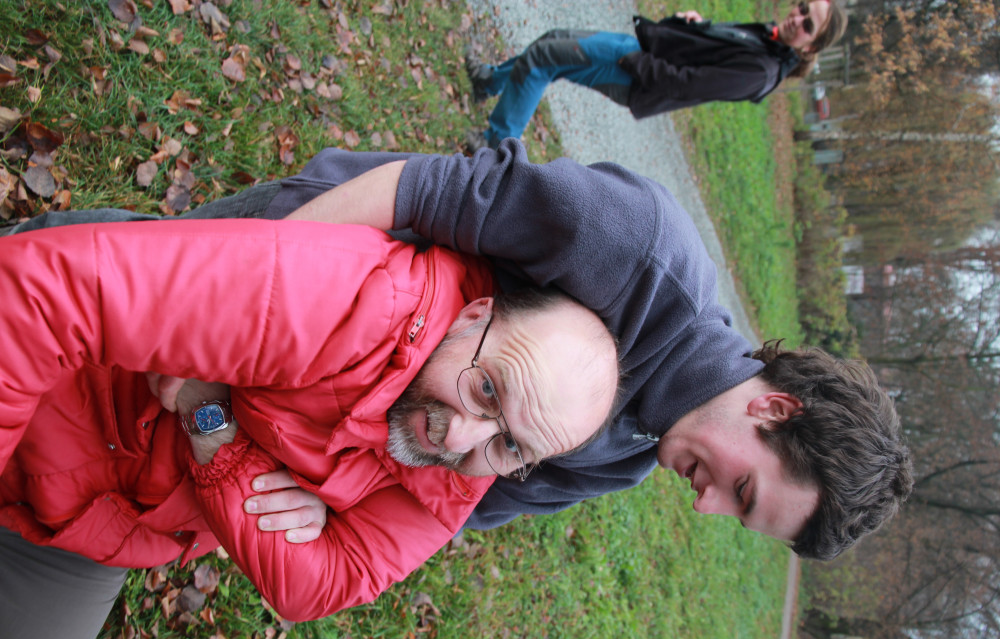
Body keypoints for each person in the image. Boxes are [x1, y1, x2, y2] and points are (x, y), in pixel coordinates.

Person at [5, 140, 912, 561]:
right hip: (299, 268)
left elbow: (449, 501)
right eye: (742, 489)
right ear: (773, 406)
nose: (707, 505)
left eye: (737, 514)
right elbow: (419, 188)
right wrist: (231, 308)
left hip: (296, 423)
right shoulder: (639, 247)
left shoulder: (626, 458)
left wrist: (334, 517)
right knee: (106, 300)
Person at [0, 217, 620, 639]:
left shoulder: (462, 474)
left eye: (511, 446)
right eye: (487, 390)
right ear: (473, 316)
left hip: (95, 535)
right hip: (55, 406)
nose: (460, 435)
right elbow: (38, 296)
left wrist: (210, 418)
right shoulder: (346, 294)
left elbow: (314, 586)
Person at [464, 1, 847, 149]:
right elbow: (710, 54)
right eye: (802, 7)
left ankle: (495, 145)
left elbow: (689, 84)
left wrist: (634, 62)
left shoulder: (762, 72)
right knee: (553, 41)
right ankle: (488, 82)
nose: (797, 18)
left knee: (544, 58)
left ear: (810, 47)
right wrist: (695, 24)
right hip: (639, 53)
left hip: (636, 73)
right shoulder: (770, 38)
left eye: (807, 25)